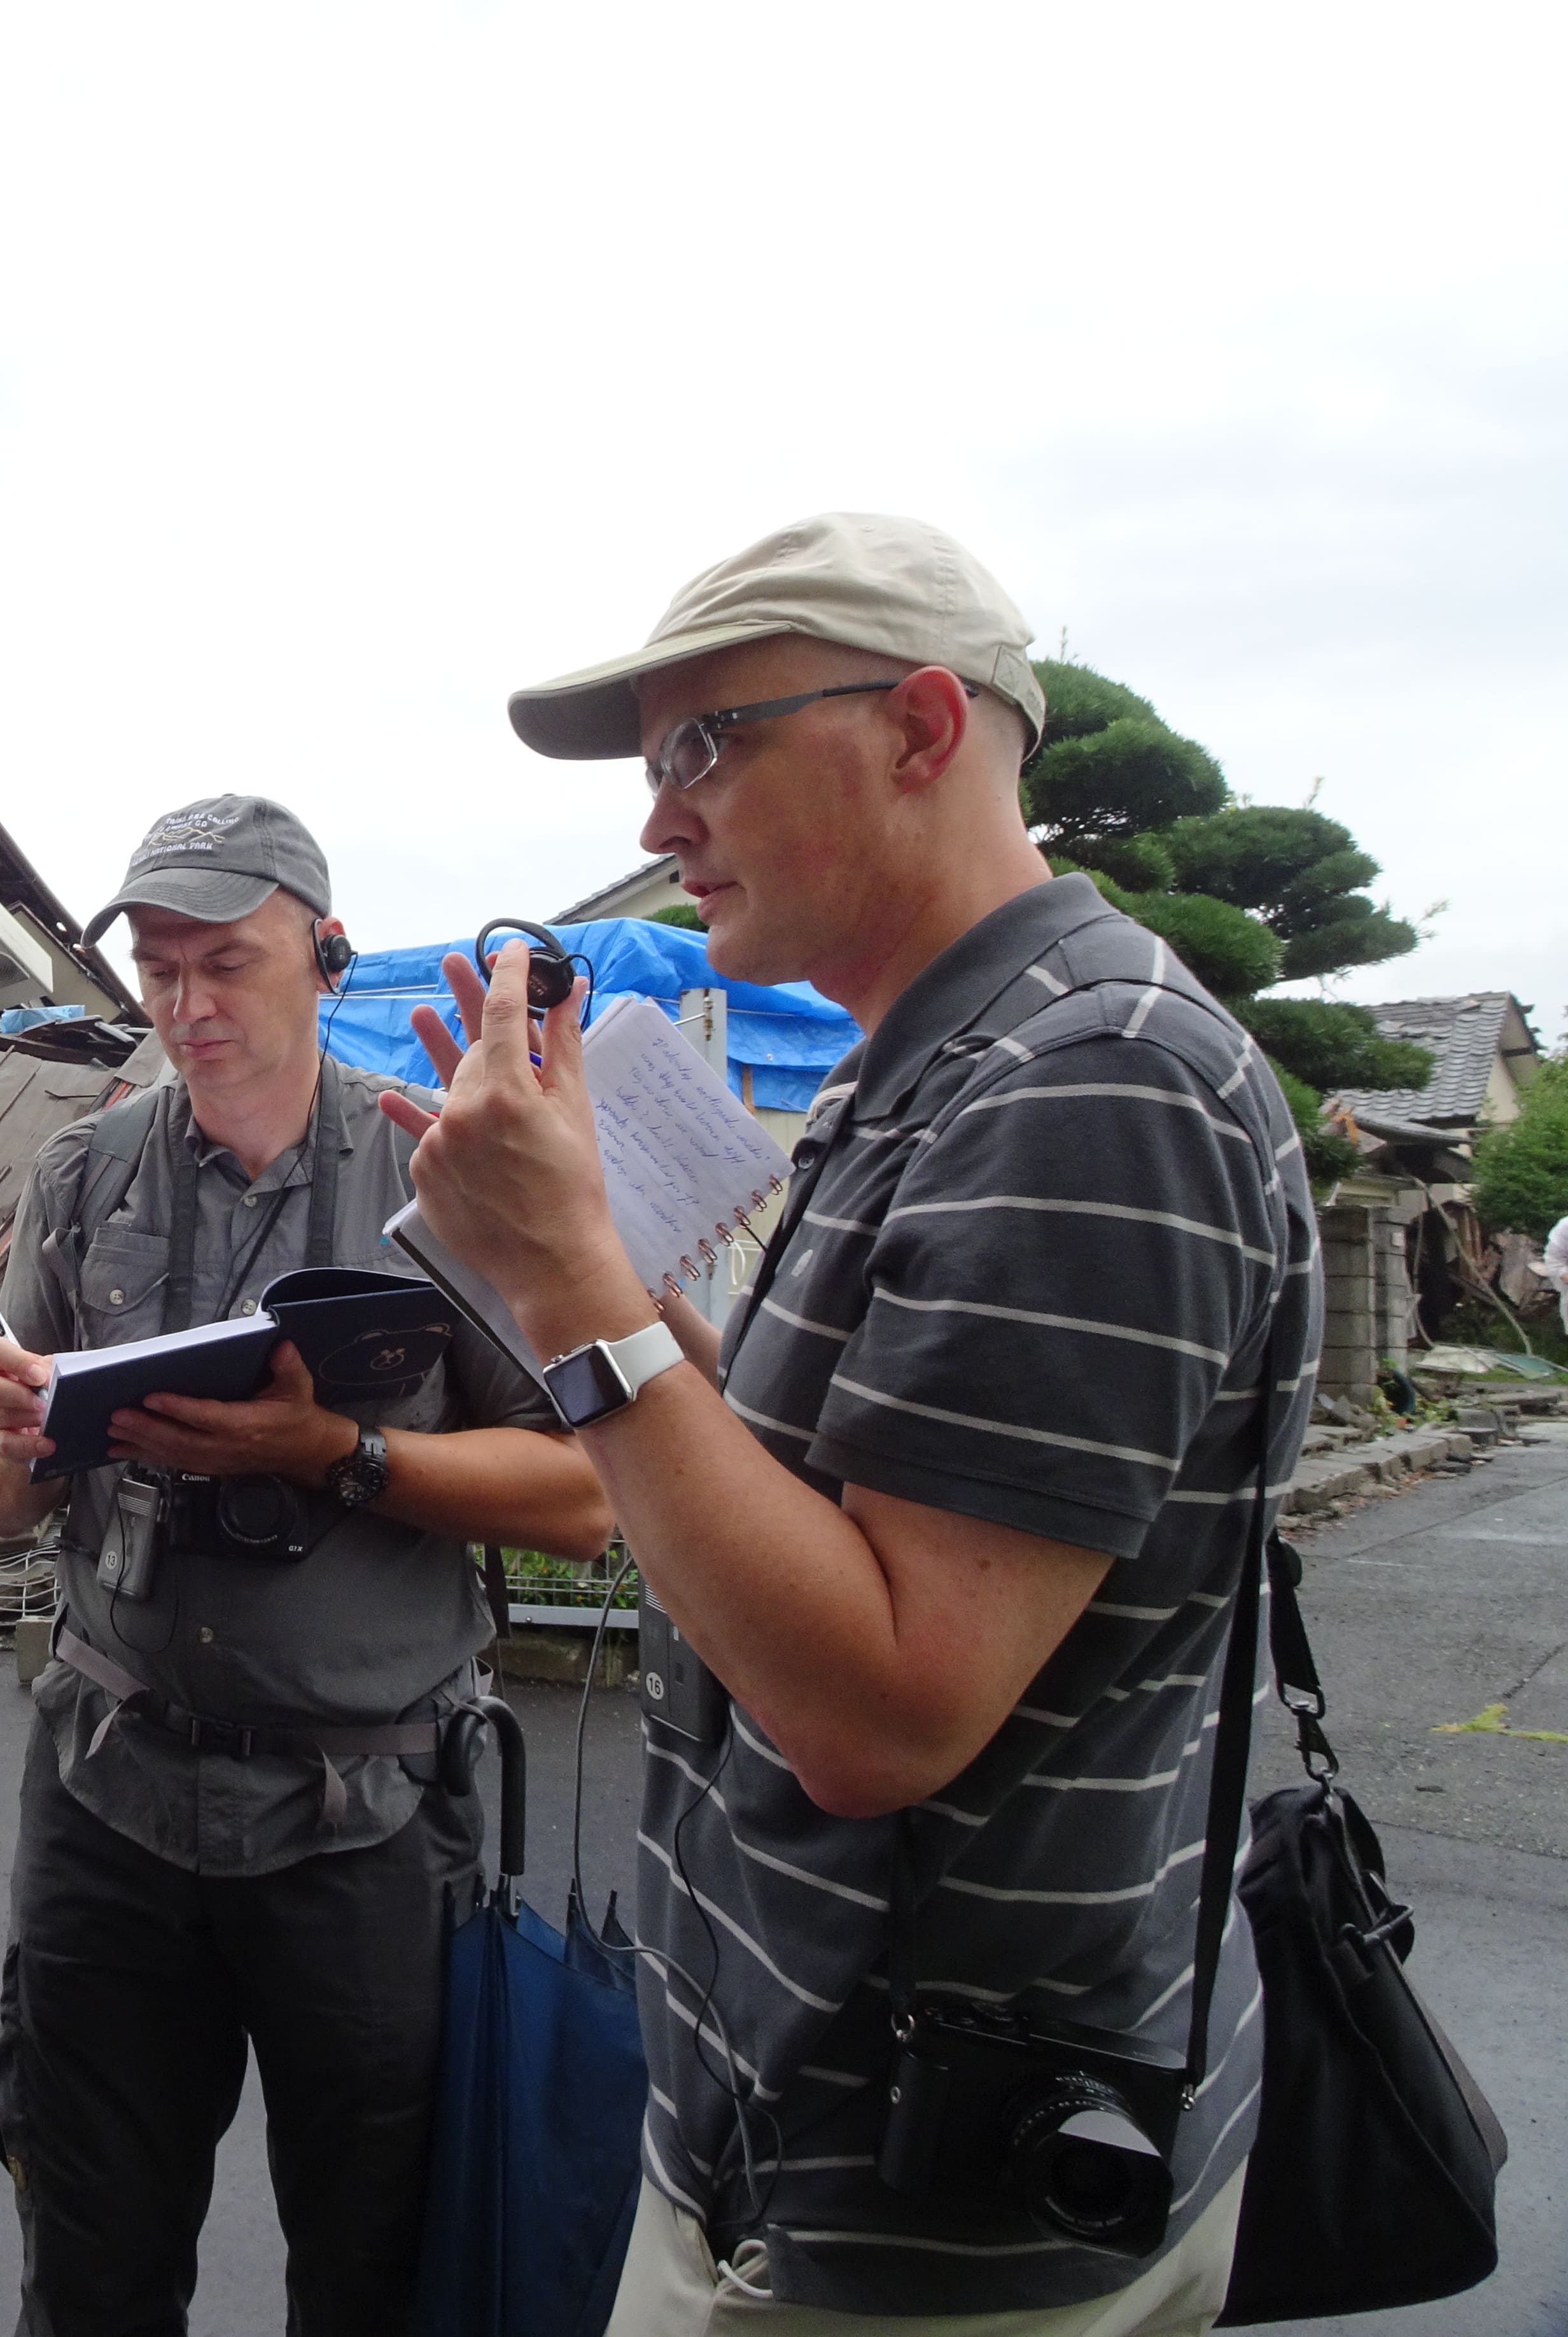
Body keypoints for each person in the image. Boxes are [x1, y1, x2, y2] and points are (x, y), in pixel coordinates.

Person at [394, 513, 1319, 2331]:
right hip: (813, 2156)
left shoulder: (1094, 1082)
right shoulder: (944, 1063)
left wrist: (576, 1293)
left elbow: (880, 1709)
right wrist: (615, 1300)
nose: (659, 820)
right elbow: (826, 1507)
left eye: (702, 745)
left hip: (928, 2227)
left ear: (916, 732)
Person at [0, 795, 617, 2336]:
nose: (187, 1007)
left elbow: (587, 1495)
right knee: (91, 2261)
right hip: (109, 1800)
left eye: (227, 965)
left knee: (371, 2267)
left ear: (327, 959)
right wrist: (14, 1439)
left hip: (364, 1825)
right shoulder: (82, 1177)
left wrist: (335, 1455)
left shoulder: (441, 1178)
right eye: (161, 968)